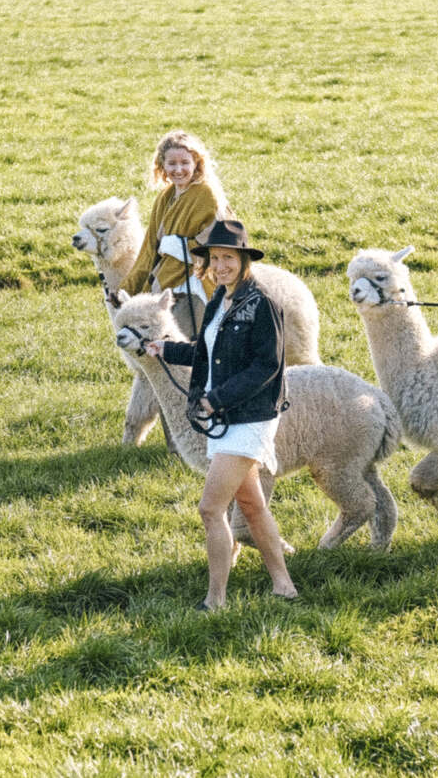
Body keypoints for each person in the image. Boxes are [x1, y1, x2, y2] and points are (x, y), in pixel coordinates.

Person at [144, 220, 297, 609]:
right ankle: (284, 585)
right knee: (252, 505)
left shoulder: (262, 303)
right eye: (215, 259)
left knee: (210, 508)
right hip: (226, 415)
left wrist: (217, 400)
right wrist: (167, 349)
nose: (221, 265)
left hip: (248, 417)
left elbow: (266, 367)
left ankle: (216, 600)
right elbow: (207, 351)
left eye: (228, 257)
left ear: (244, 259)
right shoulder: (220, 299)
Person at [117, 130, 231, 338]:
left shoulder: (206, 194)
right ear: (162, 165)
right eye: (172, 163)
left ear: (196, 162)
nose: (178, 169)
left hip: (196, 281)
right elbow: (149, 248)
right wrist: (129, 288)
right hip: (166, 279)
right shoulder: (165, 197)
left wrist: (183, 249)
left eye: (185, 162)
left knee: (187, 344)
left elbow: (220, 243)